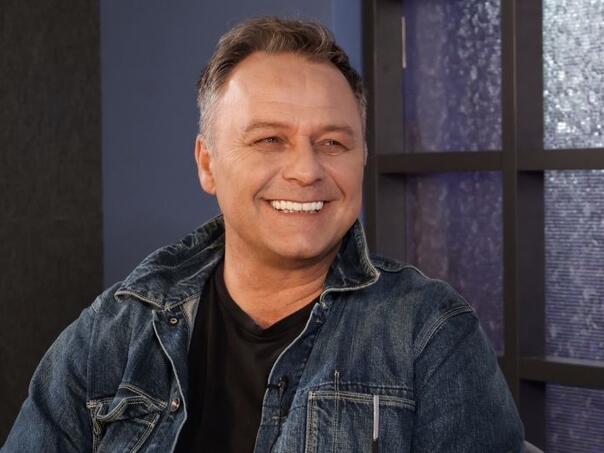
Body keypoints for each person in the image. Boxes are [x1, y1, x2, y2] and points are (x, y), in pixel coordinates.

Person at [2, 17, 524, 453]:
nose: (306, 170)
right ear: (207, 163)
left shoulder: (429, 335)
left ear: (362, 157)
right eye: (270, 139)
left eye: (333, 143)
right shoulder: (112, 333)